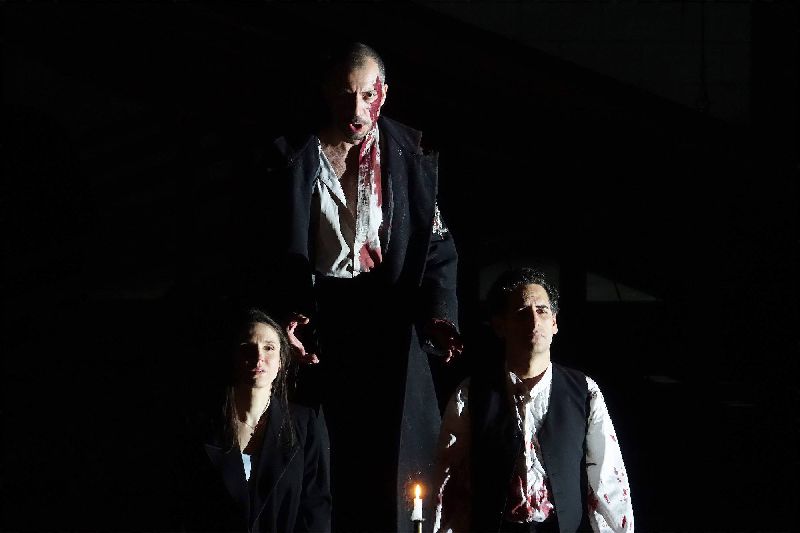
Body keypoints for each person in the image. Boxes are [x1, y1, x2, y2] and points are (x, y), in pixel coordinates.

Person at [241, 42, 461, 532]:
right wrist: (285, 315)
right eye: (345, 95)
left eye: (367, 95)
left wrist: (439, 315)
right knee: (320, 451)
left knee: (393, 461)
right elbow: (264, 250)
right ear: (327, 93)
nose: (357, 109)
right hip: (318, 322)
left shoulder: (406, 156)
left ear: (384, 93)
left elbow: (437, 245)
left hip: (388, 318)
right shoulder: (293, 156)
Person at [433, 268, 633, 533]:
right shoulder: (471, 394)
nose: (534, 320)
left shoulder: (585, 391)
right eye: (521, 312)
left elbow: (608, 481)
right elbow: (449, 482)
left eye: (542, 310)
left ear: (555, 323)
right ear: (500, 325)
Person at [177, 308, 331, 532]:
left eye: (269, 348)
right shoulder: (203, 424)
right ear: (234, 358)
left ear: (282, 360)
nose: (259, 357)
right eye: (247, 348)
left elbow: (316, 509)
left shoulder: (304, 423)